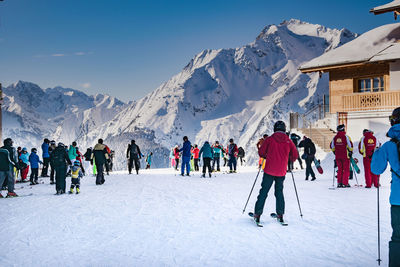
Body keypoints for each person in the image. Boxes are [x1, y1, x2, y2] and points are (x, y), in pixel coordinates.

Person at [252, 121, 298, 224]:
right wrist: (288, 159)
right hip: (281, 172)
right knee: (279, 192)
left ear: (275, 128)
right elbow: (295, 155)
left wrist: (266, 155)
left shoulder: (270, 139)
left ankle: (257, 214)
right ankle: (280, 215)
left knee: (263, 192)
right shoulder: (288, 141)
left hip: (269, 170)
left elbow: (261, 153)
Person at [371, 107, 400, 267]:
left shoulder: (390, 146)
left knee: (398, 238)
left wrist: (377, 153)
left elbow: (376, 169)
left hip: (398, 199)